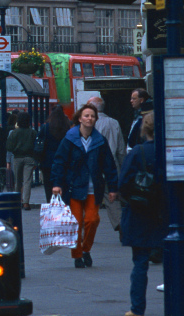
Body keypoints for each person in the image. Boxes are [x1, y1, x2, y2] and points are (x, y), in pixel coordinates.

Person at [50, 103, 119, 268]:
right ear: (79, 118)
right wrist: (57, 183)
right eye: (86, 116)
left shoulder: (100, 140)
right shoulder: (69, 138)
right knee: (76, 223)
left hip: (93, 188)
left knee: (92, 220)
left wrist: (113, 188)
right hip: (73, 187)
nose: (90, 118)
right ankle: (77, 255)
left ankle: (86, 249)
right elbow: (59, 162)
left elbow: (109, 165)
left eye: (92, 116)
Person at [119, 112, 166, 316]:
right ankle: (175, 306)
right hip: (165, 214)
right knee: (171, 262)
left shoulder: (138, 152)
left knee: (140, 262)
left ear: (144, 129)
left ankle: (137, 309)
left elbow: (122, 184)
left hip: (140, 212)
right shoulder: (169, 151)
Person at [87, 96, 126, 233]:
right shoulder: (114, 123)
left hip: (93, 167)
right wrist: (122, 167)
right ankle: (120, 223)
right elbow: (121, 149)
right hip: (112, 165)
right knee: (112, 197)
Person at [38, 104, 71, 203]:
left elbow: (40, 143)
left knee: (48, 186)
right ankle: (62, 204)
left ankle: (51, 203)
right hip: (64, 160)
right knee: (63, 185)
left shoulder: (46, 127)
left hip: (47, 161)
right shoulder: (67, 126)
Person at [6, 113, 39, 210]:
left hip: (17, 157)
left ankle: (17, 200)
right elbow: (37, 146)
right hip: (29, 157)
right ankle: (26, 203)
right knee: (27, 181)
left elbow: (9, 147)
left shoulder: (14, 133)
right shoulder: (32, 132)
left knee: (18, 180)